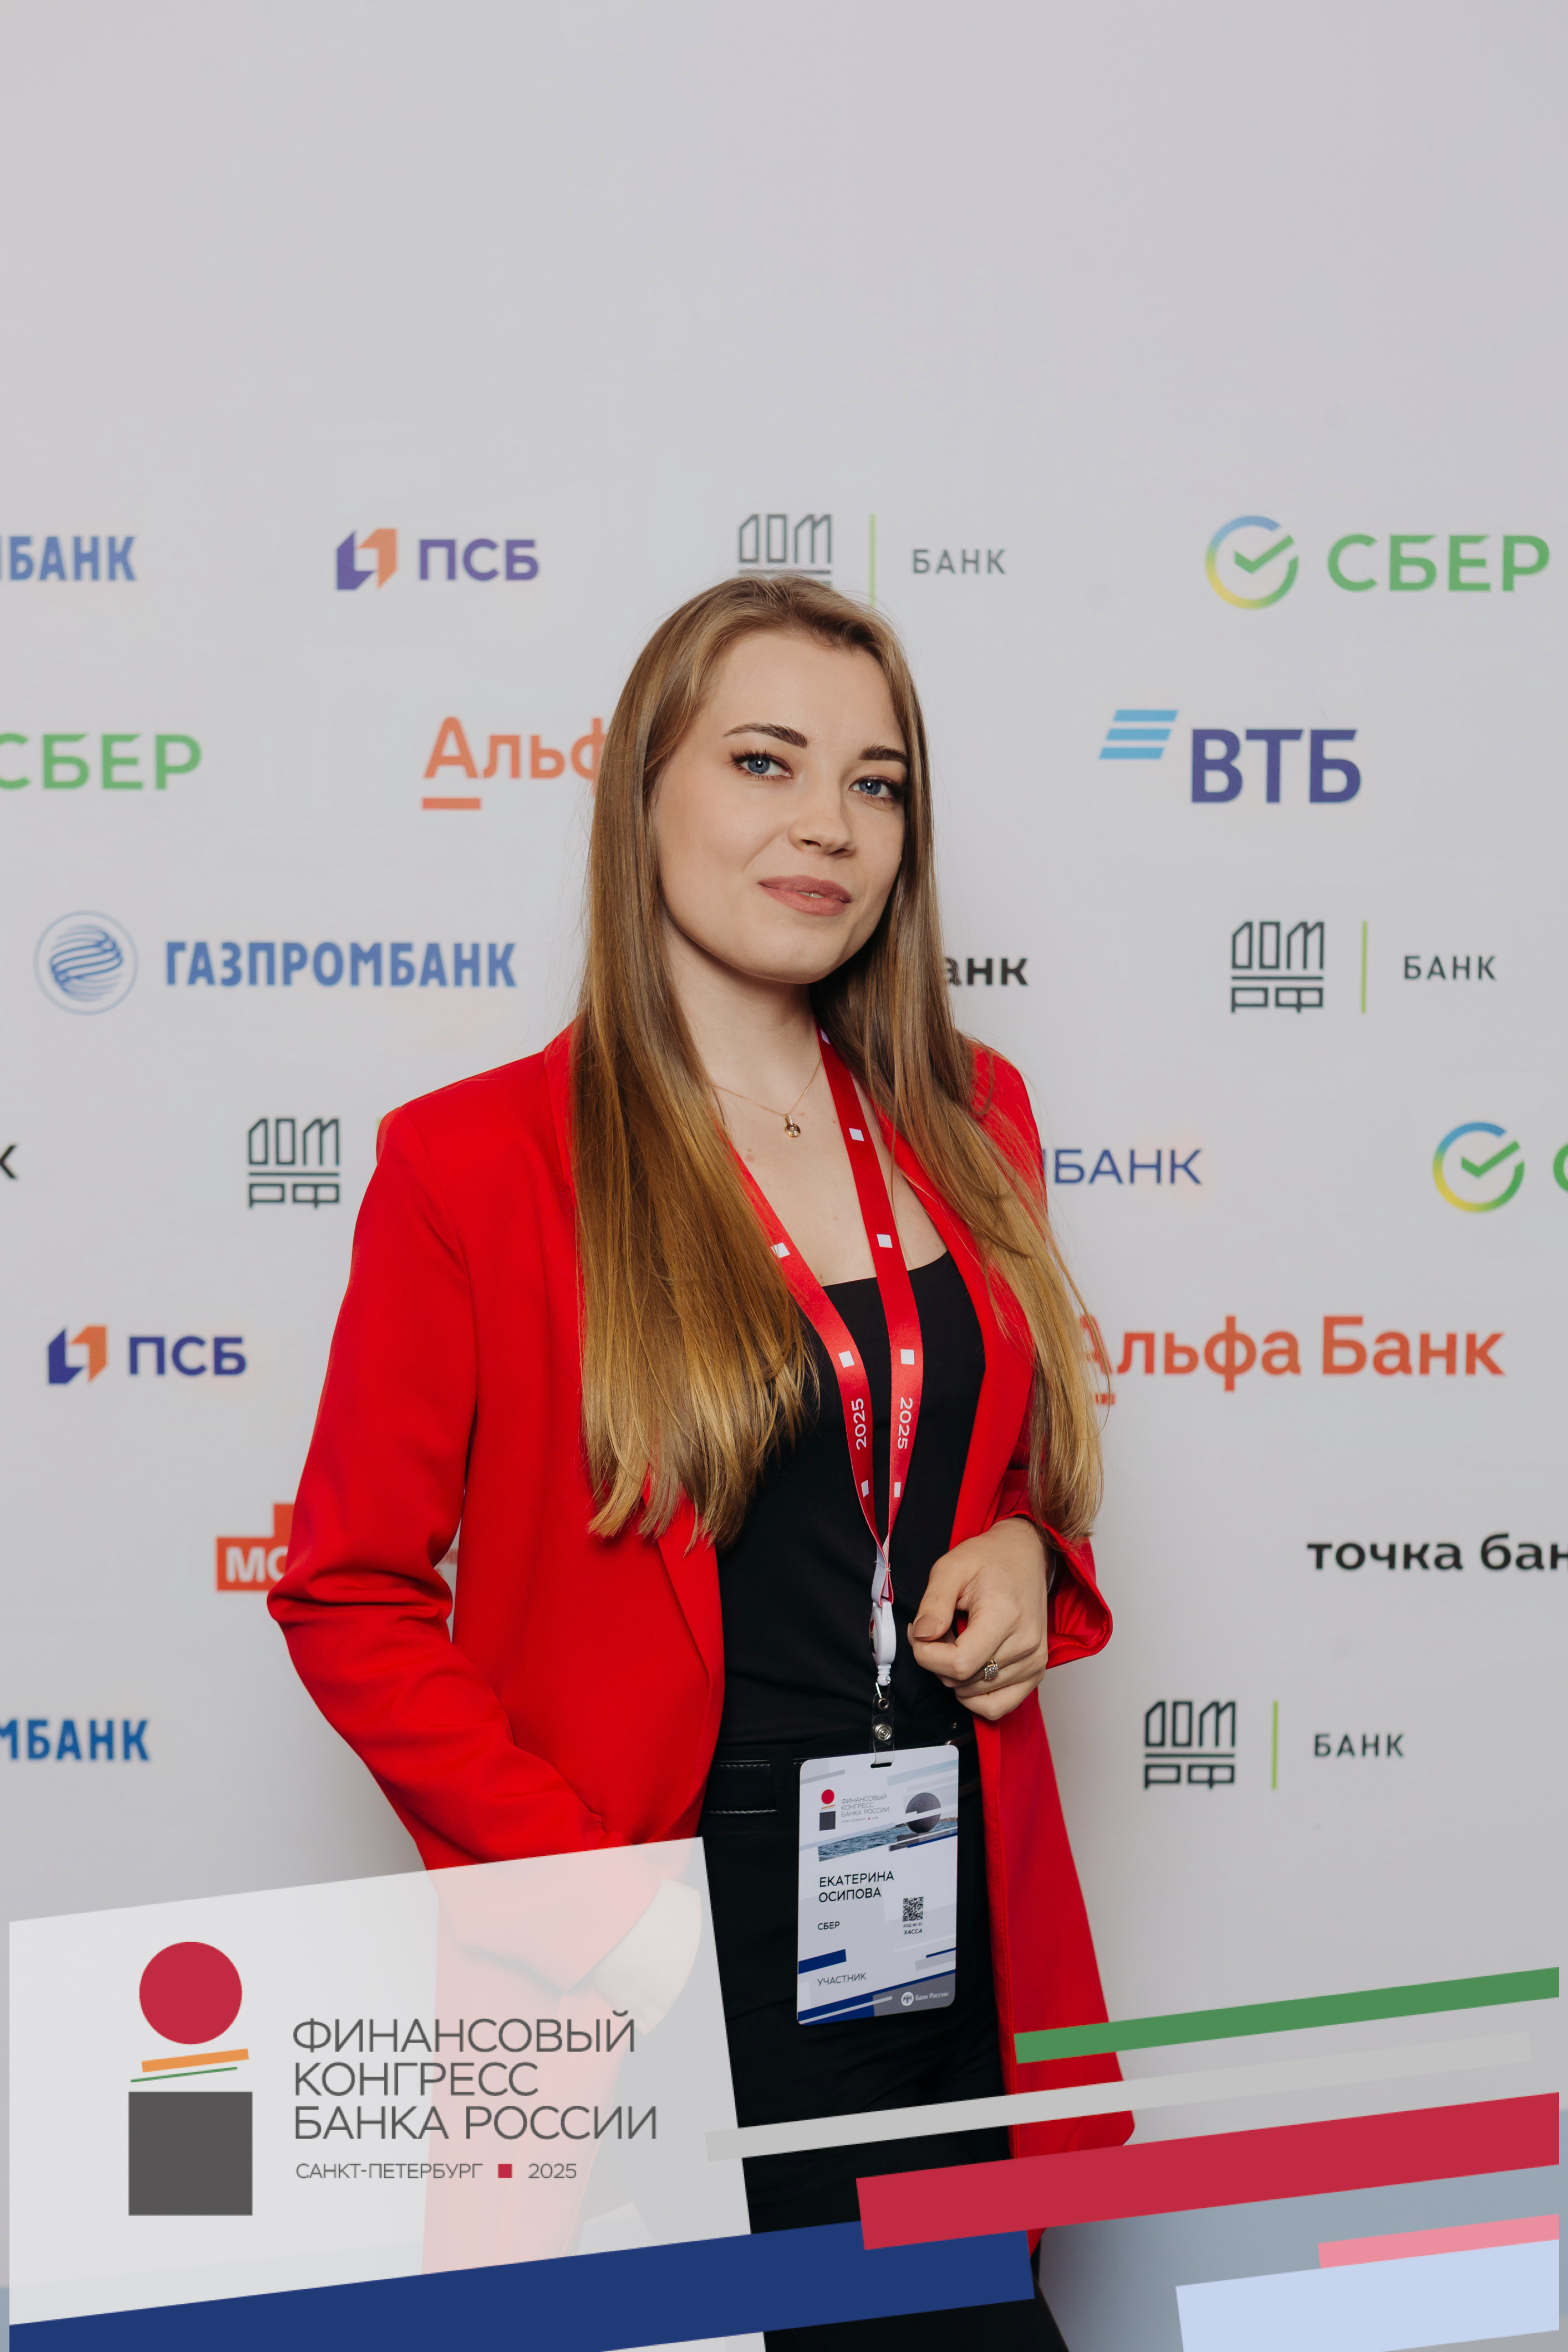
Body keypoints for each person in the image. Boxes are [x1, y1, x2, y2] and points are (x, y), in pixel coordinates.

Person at [271, 574, 1129, 2348]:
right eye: (764, 760)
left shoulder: (974, 1116)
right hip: (653, 1973)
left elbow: (989, 1465)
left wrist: (1030, 1551)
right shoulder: (476, 1165)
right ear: (638, 787)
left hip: (942, 1945)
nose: (829, 823)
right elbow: (348, 1592)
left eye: (877, 783)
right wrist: (605, 1903)